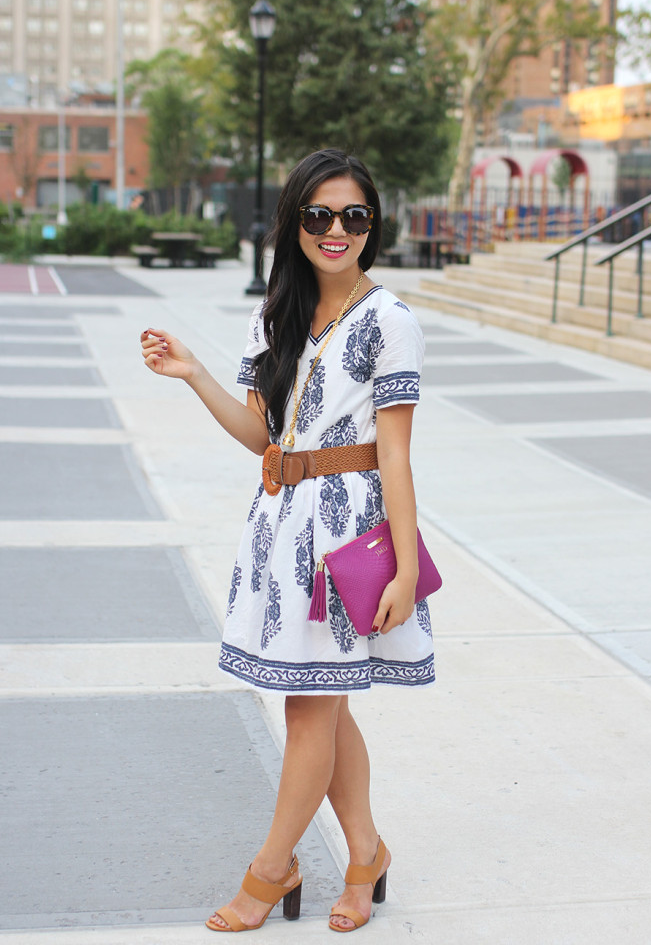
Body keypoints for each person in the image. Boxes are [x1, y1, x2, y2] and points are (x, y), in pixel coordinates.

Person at [140, 148, 434, 934]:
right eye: (319, 215)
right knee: (320, 708)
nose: (336, 230)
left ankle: (272, 869)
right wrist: (195, 373)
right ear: (294, 222)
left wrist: (404, 566)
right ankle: (365, 854)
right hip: (278, 525)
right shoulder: (271, 314)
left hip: (345, 532)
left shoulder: (389, 322)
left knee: (309, 709)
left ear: (372, 225)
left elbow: (395, 454)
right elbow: (259, 434)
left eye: (354, 216)